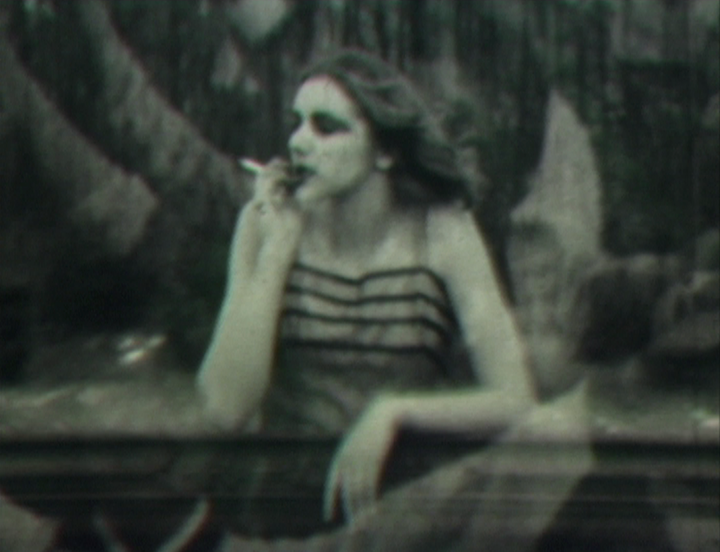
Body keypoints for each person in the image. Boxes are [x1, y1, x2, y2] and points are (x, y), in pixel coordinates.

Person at [195, 47, 537, 535]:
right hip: (289, 505)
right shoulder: (263, 222)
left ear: (385, 152)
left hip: (402, 504)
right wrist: (278, 249)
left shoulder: (444, 231)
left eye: (326, 127)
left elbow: (515, 398)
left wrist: (394, 412)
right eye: (297, 122)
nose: (298, 142)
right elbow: (226, 408)